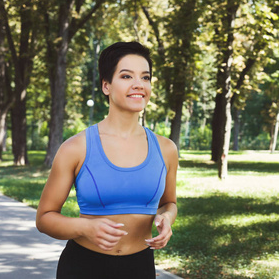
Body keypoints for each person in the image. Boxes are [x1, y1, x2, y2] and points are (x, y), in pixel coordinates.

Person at [36, 41, 178, 279]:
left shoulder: (166, 149)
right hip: (83, 267)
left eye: (145, 77)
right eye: (126, 76)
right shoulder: (76, 147)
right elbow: (44, 218)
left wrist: (166, 218)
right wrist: (85, 227)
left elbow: (169, 203)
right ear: (106, 86)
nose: (138, 85)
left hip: (140, 268)